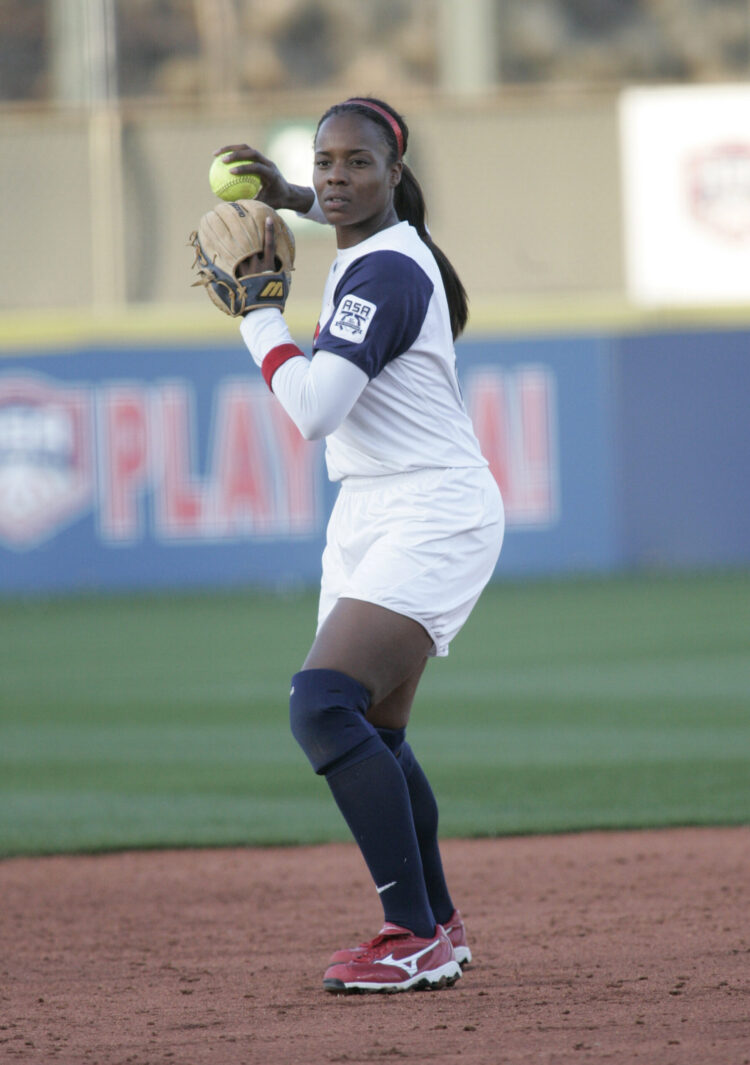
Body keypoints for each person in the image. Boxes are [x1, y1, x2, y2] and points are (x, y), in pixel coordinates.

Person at [216, 96, 504, 994]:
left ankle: (409, 930)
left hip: (431, 509)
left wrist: (256, 313)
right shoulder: (380, 249)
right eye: (324, 161)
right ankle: (439, 928)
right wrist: (293, 195)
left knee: (321, 705)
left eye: (356, 164)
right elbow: (348, 213)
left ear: (394, 172)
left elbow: (313, 411)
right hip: (376, 507)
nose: (337, 178)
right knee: (379, 729)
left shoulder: (384, 276)